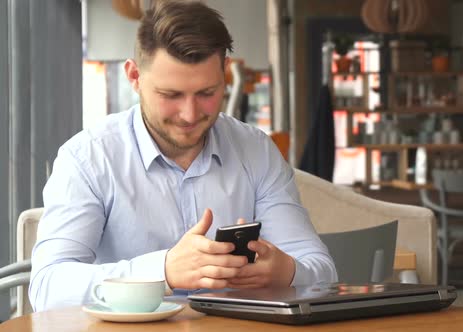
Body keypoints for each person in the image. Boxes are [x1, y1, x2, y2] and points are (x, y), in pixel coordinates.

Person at [29, 0, 337, 311]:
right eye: (171, 95)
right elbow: (47, 287)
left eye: (206, 93)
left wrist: (285, 271)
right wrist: (163, 271)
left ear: (225, 75)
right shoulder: (89, 158)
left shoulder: (256, 150)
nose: (189, 115)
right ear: (134, 76)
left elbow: (322, 270)